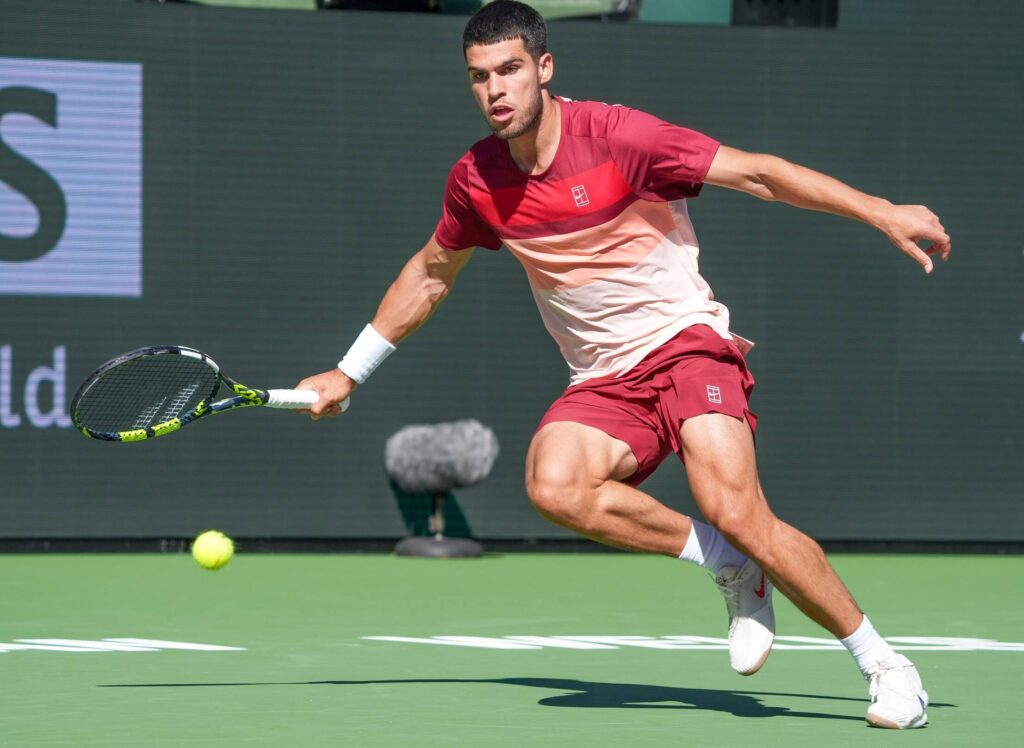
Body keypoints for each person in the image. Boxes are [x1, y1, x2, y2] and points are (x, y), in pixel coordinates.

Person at [295, 0, 950, 730]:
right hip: (603, 378)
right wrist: (349, 371)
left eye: (510, 69)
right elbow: (430, 273)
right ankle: (727, 564)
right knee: (555, 484)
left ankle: (887, 667)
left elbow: (760, 175)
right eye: (480, 77)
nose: (496, 89)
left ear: (545, 68)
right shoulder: (477, 179)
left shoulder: (619, 137)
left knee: (734, 503)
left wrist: (879, 210)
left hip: (684, 342)